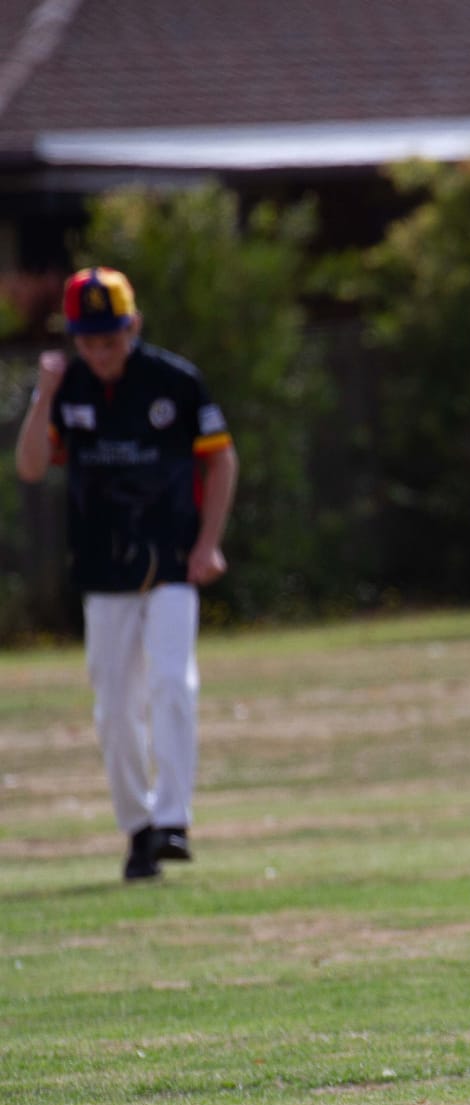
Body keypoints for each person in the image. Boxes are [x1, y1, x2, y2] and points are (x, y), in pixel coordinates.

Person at [12, 267, 238, 882]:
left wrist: (208, 544)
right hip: (101, 567)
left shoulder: (175, 381)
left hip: (170, 561)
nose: (99, 352)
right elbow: (32, 467)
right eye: (87, 341)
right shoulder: (70, 386)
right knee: (114, 709)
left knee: (171, 683)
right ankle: (138, 830)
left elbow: (221, 462)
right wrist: (44, 397)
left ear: (133, 325)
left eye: (109, 339)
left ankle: (173, 821)